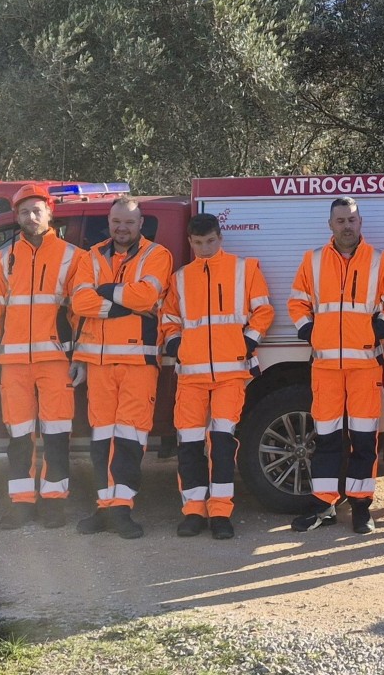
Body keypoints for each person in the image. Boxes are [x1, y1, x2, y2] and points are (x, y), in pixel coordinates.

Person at [289, 196, 384, 534]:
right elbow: (297, 302)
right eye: (340, 221)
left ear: (360, 222)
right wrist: (309, 331)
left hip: (365, 367)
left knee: (364, 440)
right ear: (330, 225)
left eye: (352, 220)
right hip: (325, 367)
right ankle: (323, 505)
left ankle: (360, 507)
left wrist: (377, 329)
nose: (346, 226)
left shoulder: (380, 260)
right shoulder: (312, 260)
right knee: (326, 438)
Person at [161, 214, 273, 540]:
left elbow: (263, 310)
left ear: (220, 238)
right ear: (190, 242)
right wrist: (177, 345)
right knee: (189, 445)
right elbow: (168, 319)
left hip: (230, 375)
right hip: (191, 376)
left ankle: (221, 513)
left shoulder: (244, 269)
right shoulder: (180, 278)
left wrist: (247, 341)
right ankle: (194, 512)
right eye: (198, 243)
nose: (205, 248)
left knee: (222, 445)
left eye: (210, 241)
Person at [0, 184, 82, 530]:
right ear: (16, 216)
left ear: (50, 212)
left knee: (57, 435)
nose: (31, 216)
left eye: (37, 210)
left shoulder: (73, 256)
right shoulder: (1, 258)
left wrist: (80, 357)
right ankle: (21, 503)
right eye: (24, 211)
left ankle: (54, 503)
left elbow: (80, 315)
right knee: (19, 437)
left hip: (56, 361)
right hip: (13, 364)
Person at [70, 196, 172, 539]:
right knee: (101, 439)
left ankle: (122, 509)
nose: (122, 228)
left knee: (130, 438)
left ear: (141, 224)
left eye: (129, 222)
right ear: (109, 222)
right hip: (98, 364)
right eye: (116, 221)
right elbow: (79, 301)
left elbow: (147, 297)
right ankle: (104, 507)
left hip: (138, 361)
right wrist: (122, 305)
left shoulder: (157, 254)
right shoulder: (92, 255)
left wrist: (105, 290)